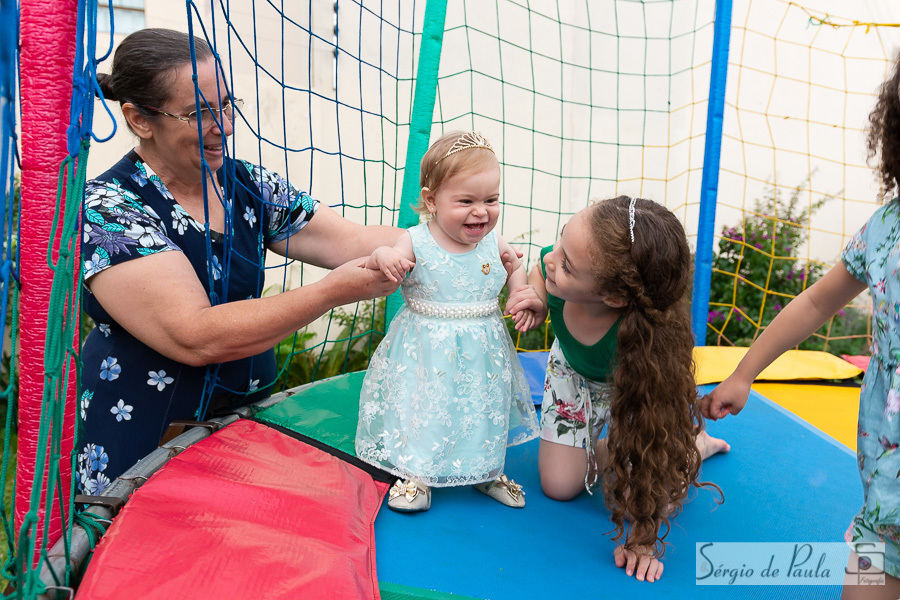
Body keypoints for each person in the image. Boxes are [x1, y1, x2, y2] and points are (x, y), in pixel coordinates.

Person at [77, 28, 407, 493]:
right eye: (199, 114)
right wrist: (332, 292)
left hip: (243, 426)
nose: (225, 127)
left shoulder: (248, 185)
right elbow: (194, 335)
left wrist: (453, 239)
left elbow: (354, 240)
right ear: (139, 119)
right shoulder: (110, 209)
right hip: (143, 445)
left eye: (228, 105)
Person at [701, 57, 900, 600]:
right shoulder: (885, 230)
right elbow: (815, 302)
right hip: (887, 493)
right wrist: (743, 373)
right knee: (862, 583)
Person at [506, 196, 729, 582]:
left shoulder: (646, 348)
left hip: (629, 389)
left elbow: (648, 424)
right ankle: (602, 448)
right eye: (560, 242)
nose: (551, 259)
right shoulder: (560, 268)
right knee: (560, 487)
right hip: (571, 375)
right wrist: (540, 298)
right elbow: (542, 268)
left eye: (568, 265)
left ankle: (693, 445)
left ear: (612, 298)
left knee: (637, 499)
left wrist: (643, 539)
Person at [355, 131, 540, 512]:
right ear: (431, 201)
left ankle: (485, 468)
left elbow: (513, 266)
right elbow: (380, 258)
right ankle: (417, 473)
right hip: (427, 349)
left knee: (481, 406)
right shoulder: (416, 240)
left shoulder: (494, 241)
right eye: (466, 201)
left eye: (491, 200)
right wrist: (381, 256)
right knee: (425, 406)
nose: (481, 212)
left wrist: (521, 294)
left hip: (482, 348)